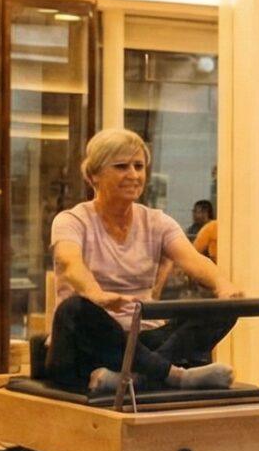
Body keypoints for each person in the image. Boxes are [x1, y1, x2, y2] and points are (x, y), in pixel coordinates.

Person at [49, 129, 241, 396]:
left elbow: (194, 260)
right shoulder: (71, 220)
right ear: (94, 175)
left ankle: (134, 378)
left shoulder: (156, 221)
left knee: (225, 307)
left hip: (140, 341)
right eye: (121, 167)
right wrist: (97, 295)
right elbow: (70, 263)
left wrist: (224, 286)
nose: (134, 174)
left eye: (138, 166)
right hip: (87, 347)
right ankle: (173, 375)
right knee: (75, 308)